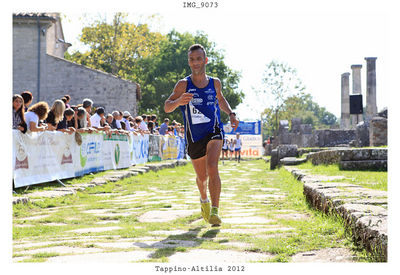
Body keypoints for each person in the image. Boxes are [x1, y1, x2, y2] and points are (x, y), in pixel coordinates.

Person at [164, 44, 239, 226]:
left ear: (205, 60)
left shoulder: (215, 83)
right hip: (194, 136)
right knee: (202, 177)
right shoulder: (184, 84)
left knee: (212, 167)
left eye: (199, 59)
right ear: (189, 62)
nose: (195, 62)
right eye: (192, 59)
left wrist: (230, 113)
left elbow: (220, 99)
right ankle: (204, 198)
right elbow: (167, 107)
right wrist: (179, 101)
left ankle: (215, 210)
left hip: (213, 130)